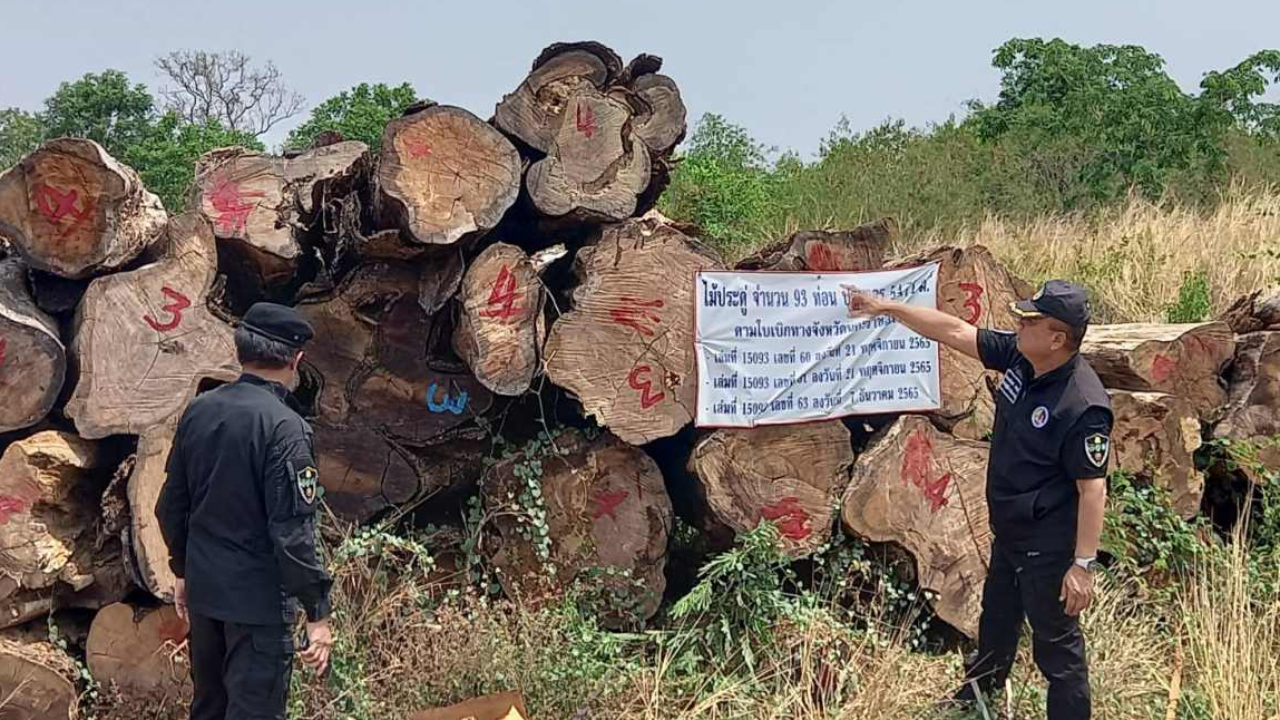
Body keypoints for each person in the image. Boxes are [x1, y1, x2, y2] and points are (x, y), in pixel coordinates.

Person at [845, 279, 1111, 720]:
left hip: (1048, 544)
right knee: (997, 619)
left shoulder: (1082, 405)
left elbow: (1092, 489)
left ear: (1057, 339)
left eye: (1031, 320)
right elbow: (954, 331)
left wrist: (1082, 566)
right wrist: (885, 306)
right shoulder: (1022, 358)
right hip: (1010, 530)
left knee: (1057, 650)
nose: (1019, 323)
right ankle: (977, 698)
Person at [158, 302, 335, 720]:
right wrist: (317, 612)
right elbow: (292, 533)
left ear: (240, 351)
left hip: (205, 597)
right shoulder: (285, 429)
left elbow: (171, 505)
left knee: (208, 709)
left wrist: (182, 569)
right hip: (257, 608)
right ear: (296, 360)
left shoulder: (199, 410)